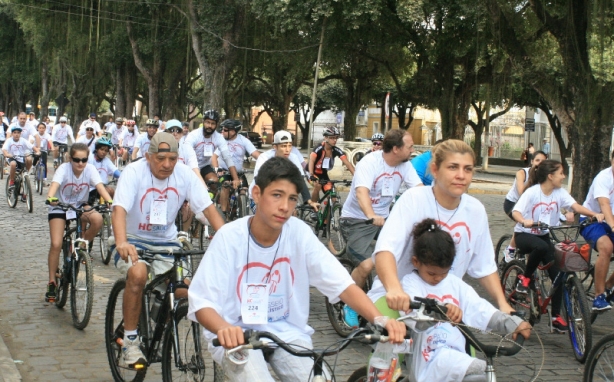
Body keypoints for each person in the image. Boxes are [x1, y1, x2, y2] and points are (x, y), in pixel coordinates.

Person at [187, 156, 406, 382]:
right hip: (237, 335)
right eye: (276, 195)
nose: (284, 207)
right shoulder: (229, 238)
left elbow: (343, 285)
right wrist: (223, 328)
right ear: (257, 194)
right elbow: (202, 301)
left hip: (288, 332)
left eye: (292, 199)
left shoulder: (299, 233)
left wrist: (380, 319)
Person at [111, 132, 225, 368]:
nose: (167, 165)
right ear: (148, 156)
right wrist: (122, 242)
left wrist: (230, 241)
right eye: (161, 158)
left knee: (189, 290)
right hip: (133, 240)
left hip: (167, 244)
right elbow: (119, 210)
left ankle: (158, 325)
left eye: (172, 159)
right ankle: (130, 343)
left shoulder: (184, 175)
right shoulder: (134, 172)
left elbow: (209, 209)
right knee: (139, 274)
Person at [369, 139, 514, 320]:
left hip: (446, 306)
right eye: (453, 167)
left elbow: (484, 266)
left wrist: (503, 304)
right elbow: (386, 250)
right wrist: (394, 289)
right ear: (436, 170)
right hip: (400, 301)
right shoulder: (414, 199)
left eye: (467, 169)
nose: (461, 175)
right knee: (396, 342)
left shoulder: (475, 210)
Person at [402, 218, 532, 381]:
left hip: (456, 358)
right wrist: (442, 309)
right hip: (430, 360)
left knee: (480, 375)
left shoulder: (455, 285)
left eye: (444, 273)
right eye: (432, 274)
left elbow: (480, 309)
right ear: (416, 262)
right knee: (481, 369)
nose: (438, 279)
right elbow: (414, 312)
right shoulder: (410, 284)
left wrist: (511, 323)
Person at [340, 129, 423, 327]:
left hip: (386, 220)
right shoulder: (370, 163)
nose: (413, 150)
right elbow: (362, 193)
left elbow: (419, 191)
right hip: (357, 220)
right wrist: (371, 215)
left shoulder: (405, 165)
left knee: (409, 254)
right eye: (410, 146)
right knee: (368, 264)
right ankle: (350, 304)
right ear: (396, 149)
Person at [512, 160, 604, 331]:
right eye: (561, 173)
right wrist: (524, 221)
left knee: (558, 274)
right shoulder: (532, 192)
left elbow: (575, 206)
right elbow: (515, 211)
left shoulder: (559, 193)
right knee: (542, 247)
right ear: (550, 176)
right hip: (524, 235)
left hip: (544, 235)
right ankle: (524, 278)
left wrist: (595, 214)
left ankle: (555, 316)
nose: (563, 176)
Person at [45, 143, 112, 302]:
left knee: (98, 219)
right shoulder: (63, 169)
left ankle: (81, 245)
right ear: (70, 159)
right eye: (77, 160)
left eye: (84, 160)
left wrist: (110, 201)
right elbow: (54, 186)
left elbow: (100, 187)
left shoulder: (89, 169)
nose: (81, 163)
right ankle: (52, 282)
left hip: (80, 205)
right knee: (56, 243)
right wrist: (50, 197)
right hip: (60, 206)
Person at [579, 153, 614, 311]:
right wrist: (613, 227)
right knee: (606, 247)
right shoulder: (603, 178)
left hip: (611, 220)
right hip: (592, 220)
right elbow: (604, 205)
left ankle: (609, 286)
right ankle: (599, 296)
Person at [249, 130, 317, 211]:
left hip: (281, 196)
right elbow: (259, 180)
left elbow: (300, 179)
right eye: (284, 146)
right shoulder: (264, 158)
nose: (287, 150)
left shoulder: (293, 157)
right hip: (261, 195)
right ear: (275, 147)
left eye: (290, 146)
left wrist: (309, 201)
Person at [502, 151, 548, 262]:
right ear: (532, 161)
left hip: (532, 206)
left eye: (543, 161)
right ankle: (510, 249)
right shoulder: (522, 173)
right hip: (513, 203)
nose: (540, 163)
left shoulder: (546, 176)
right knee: (522, 223)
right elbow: (521, 192)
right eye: (537, 160)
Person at [183, 110, 242, 190]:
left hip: (204, 166)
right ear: (203, 122)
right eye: (207, 122)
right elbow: (188, 156)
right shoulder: (193, 135)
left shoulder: (219, 138)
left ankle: (212, 200)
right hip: (189, 166)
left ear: (216, 125)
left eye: (213, 123)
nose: (210, 126)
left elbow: (227, 158)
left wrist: (235, 179)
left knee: (214, 182)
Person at [212, 119, 260, 215]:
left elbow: (255, 154)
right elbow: (214, 157)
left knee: (244, 190)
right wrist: (217, 169)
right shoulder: (221, 140)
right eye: (222, 129)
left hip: (238, 172)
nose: (222, 131)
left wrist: (266, 161)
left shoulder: (243, 140)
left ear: (233, 131)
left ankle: (241, 210)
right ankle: (224, 214)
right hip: (224, 171)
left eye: (225, 130)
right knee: (225, 186)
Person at [308, 126, 355, 203]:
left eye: (336, 138)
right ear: (326, 138)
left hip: (323, 175)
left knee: (333, 197)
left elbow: (347, 163)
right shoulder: (319, 148)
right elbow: (311, 161)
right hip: (311, 172)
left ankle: (329, 213)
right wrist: (311, 174)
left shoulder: (336, 150)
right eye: (332, 138)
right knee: (318, 185)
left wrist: (356, 176)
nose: (335, 140)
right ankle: (313, 208)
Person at [2, 126, 41, 193]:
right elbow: (4, 149)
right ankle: (11, 181)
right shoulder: (9, 140)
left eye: (18, 133)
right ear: (12, 134)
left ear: (20, 134)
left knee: (29, 159)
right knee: (13, 164)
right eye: (15, 133)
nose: (16, 134)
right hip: (12, 158)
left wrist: (37, 151)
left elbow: (32, 147)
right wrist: (7, 154)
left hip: (21, 158)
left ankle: (26, 175)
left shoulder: (23, 140)